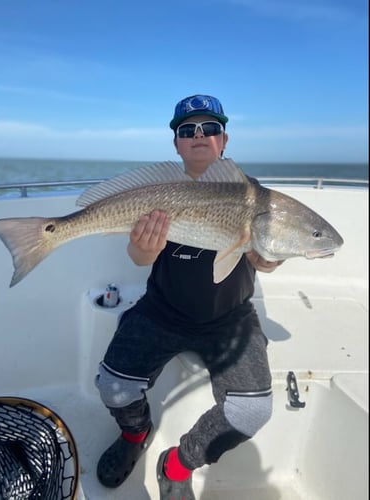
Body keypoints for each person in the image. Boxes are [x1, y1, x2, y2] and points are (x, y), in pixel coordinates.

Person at [95, 94, 283, 499]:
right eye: (188, 130)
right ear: (177, 143)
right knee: (112, 386)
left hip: (230, 318)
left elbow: (265, 261)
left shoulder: (255, 197)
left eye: (210, 128)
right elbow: (139, 257)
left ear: (224, 140)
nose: (200, 136)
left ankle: (178, 463)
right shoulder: (157, 191)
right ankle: (135, 433)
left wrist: (269, 258)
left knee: (252, 412)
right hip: (162, 311)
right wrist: (144, 247)